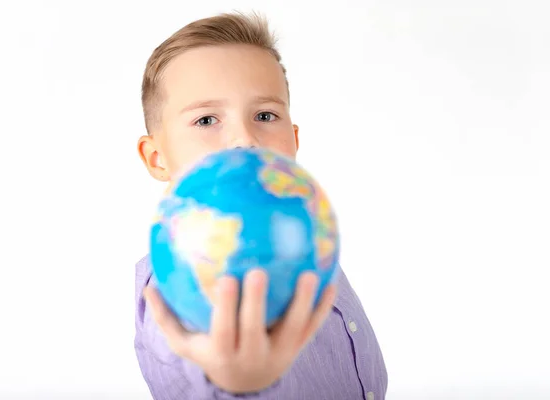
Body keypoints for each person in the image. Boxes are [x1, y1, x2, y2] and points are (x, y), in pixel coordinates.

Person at [134, 11, 388, 400]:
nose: (244, 139)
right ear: (156, 158)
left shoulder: (300, 238)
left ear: (294, 140)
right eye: (206, 120)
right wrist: (235, 385)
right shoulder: (180, 285)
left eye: (265, 115)